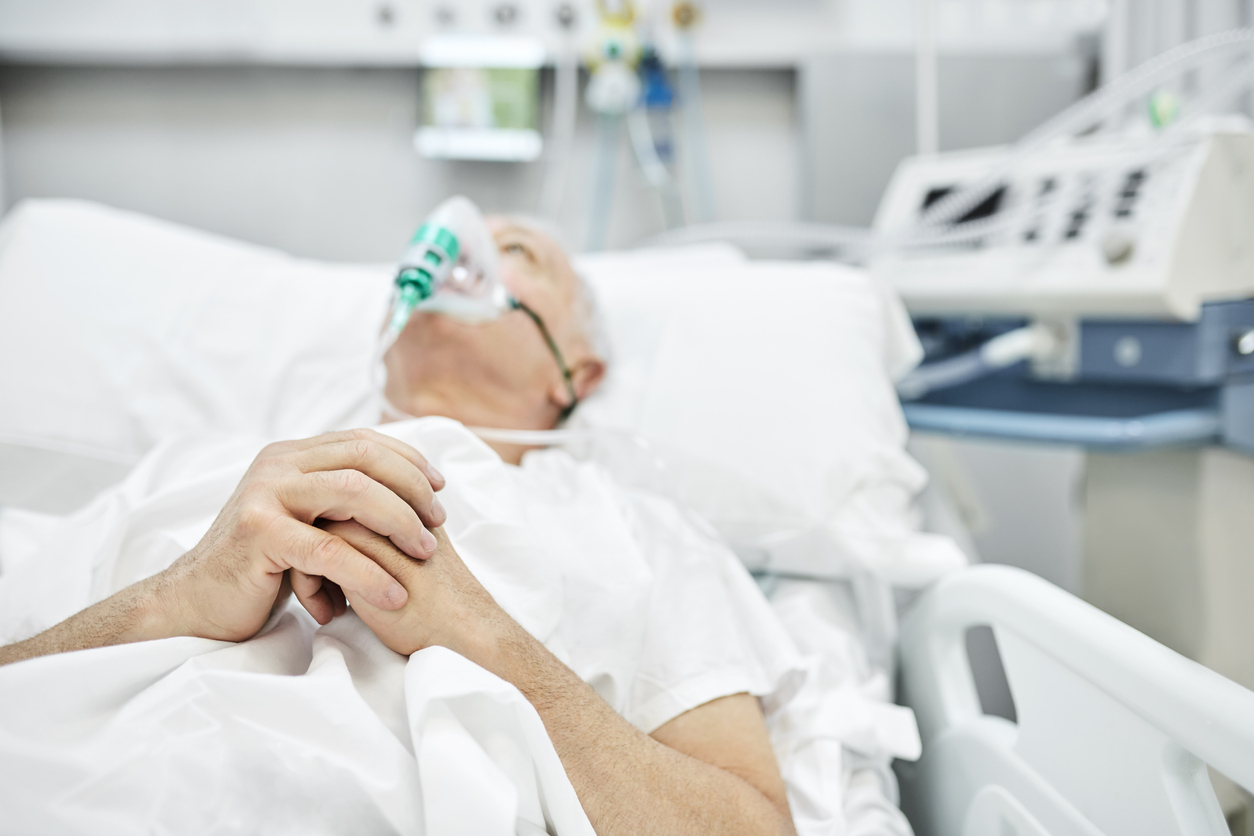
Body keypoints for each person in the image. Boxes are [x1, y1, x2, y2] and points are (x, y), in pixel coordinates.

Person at [0, 218, 798, 835]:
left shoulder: (636, 528)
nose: (460, 249)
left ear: (577, 371)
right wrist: (171, 599)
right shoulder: (197, 472)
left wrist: (479, 635)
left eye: (516, 250)